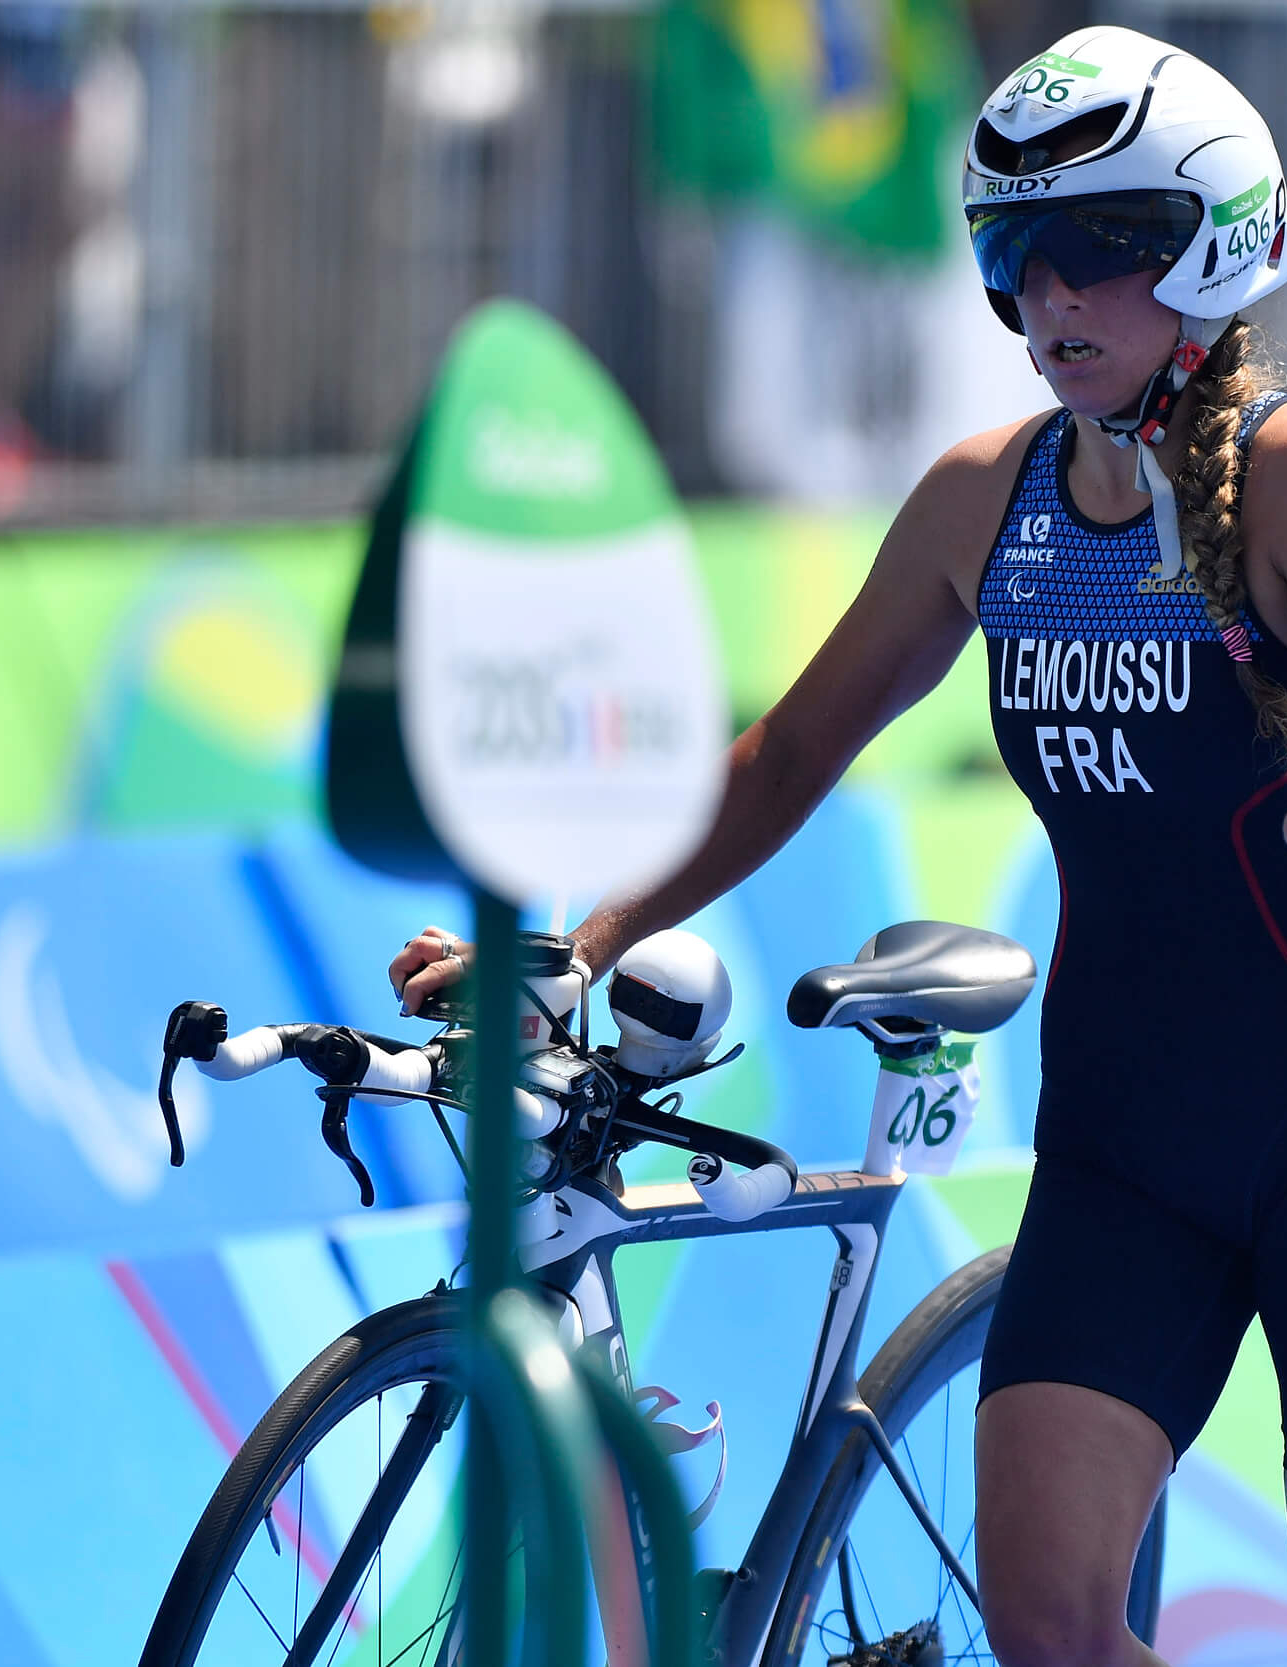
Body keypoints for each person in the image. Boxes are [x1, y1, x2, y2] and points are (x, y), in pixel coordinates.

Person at [389, 26, 1287, 1667]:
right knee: (1052, 1630)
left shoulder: (1284, 488)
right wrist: (581, 941)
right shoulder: (980, 507)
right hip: (1130, 1151)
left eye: (1098, 246)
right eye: (1012, 255)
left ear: (1216, 242)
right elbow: (792, 750)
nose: (1049, 297)